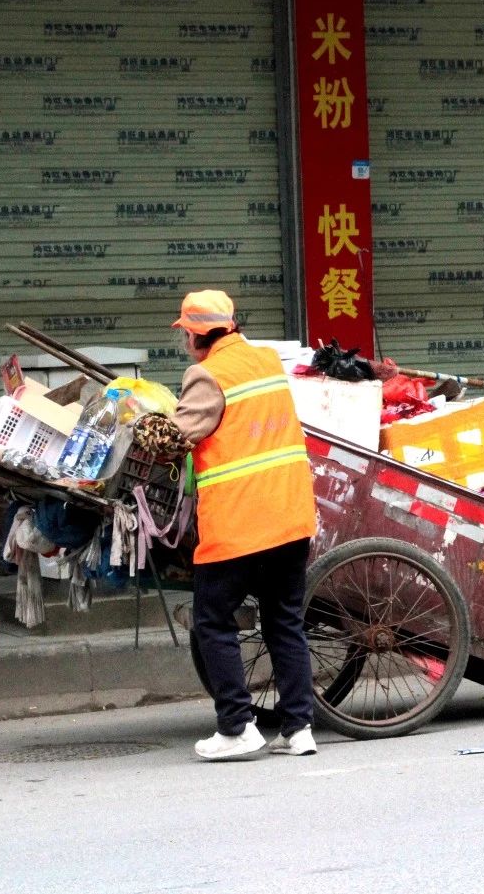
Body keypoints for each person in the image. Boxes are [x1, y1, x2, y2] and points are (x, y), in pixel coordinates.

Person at [168, 289, 321, 757]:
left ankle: (237, 727)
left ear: (195, 334)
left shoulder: (207, 374)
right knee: (285, 623)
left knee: (212, 621)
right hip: (290, 515)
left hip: (239, 522)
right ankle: (299, 729)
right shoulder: (267, 361)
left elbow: (180, 433)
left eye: (186, 334)